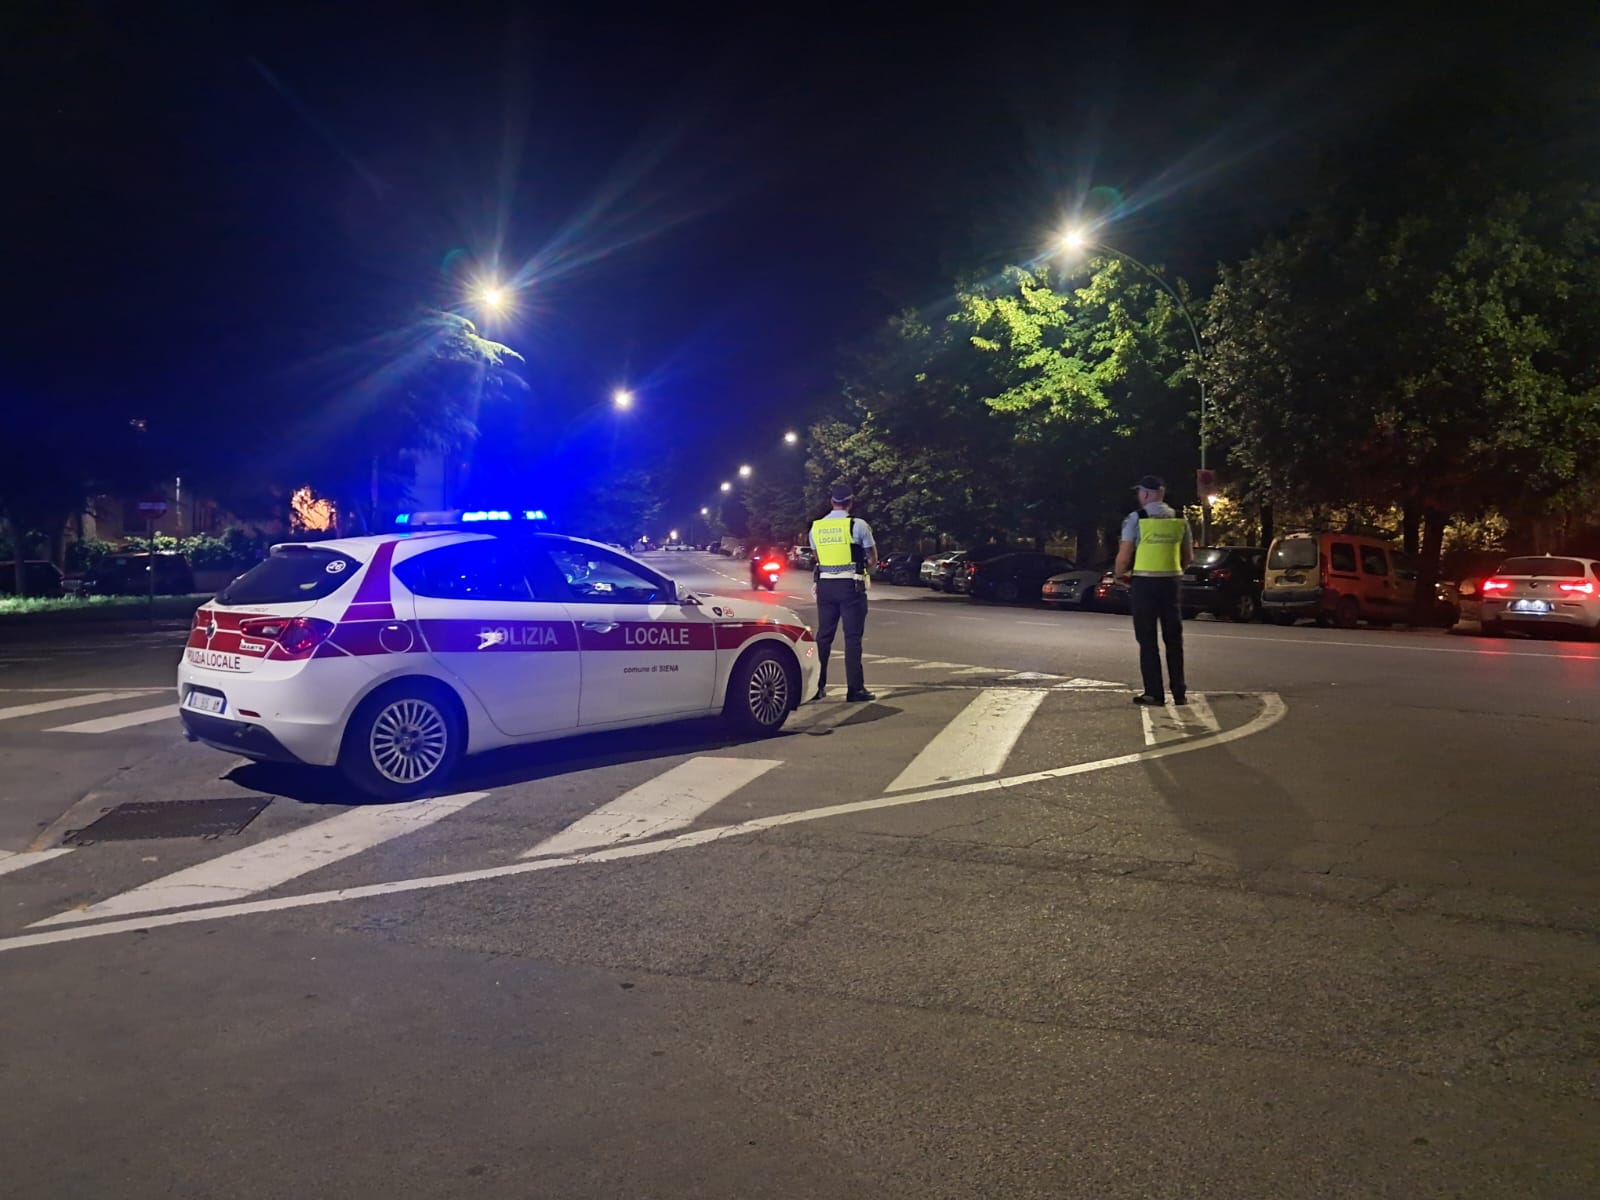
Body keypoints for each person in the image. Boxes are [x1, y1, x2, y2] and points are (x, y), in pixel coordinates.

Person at [1114, 474, 1194, 706]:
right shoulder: (1180, 518)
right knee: (1174, 639)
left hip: (1144, 584)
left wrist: (1120, 574)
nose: (1139, 496)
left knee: (1147, 639)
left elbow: (1125, 553)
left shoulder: (1136, 518)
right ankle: (1179, 691)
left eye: (1139, 492)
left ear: (1146, 494)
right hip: (1171, 584)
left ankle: (1154, 692)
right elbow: (1188, 556)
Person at [809, 482, 877, 702]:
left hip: (825, 587)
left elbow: (817, 558)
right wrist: (865, 569)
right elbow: (872, 558)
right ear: (850, 502)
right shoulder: (857, 526)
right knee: (852, 639)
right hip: (850, 587)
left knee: (824, 637)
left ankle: (817, 688)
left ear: (831, 502)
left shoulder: (816, 527)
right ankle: (855, 690)